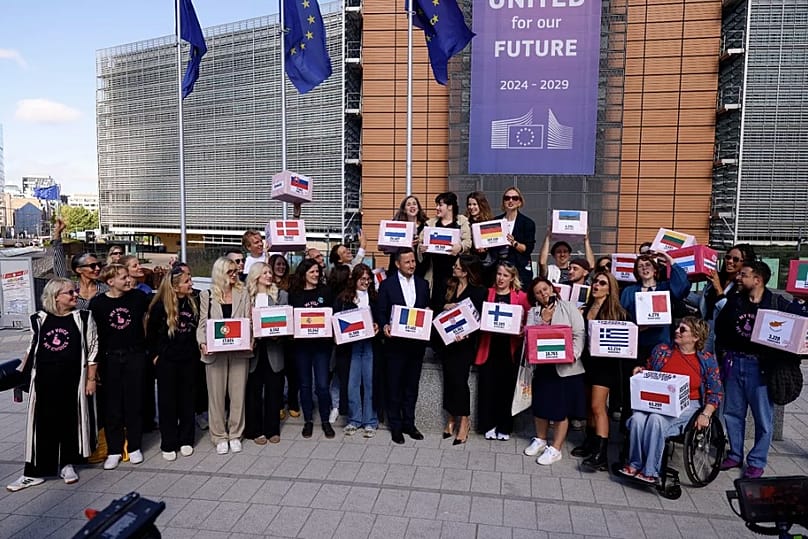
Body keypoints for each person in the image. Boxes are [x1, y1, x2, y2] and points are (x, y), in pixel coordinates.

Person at [7, 278, 98, 492]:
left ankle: (67, 464)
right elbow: (32, 348)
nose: (75, 295)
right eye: (70, 293)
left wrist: (91, 379)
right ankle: (34, 473)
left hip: (73, 380)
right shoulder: (38, 319)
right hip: (44, 381)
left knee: (70, 422)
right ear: (55, 297)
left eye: (75, 292)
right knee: (41, 426)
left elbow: (92, 349)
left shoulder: (83, 317)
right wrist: (21, 377)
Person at [715, 260, 801, 479]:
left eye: (743, 275)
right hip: (735, 363)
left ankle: (756, 461)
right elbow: (721, 328)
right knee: (732, 413)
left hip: (761, 367)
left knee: (763, 418)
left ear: (758, 279)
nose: (738, 278)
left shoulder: (778, 303)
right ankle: (735, 454)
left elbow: (799, 325)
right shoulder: (735, 301)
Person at [619, 317, 722, 484]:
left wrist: (706, 414)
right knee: (637, 419)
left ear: (696, 337)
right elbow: (651, 371)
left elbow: (715, 392)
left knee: (656, 420)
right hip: (660, 400)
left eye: (683, 330)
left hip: (689, 403)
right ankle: (634, 463)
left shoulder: (706, 360)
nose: (677, 331)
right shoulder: (662, 350)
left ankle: (651, 470)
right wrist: (641, 370)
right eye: (677, 327)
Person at [89, 264, 150, 470]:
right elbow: (93, 336)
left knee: (134, 403)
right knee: (112, 405)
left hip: (135, 355)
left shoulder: (138, 298)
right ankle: (114, 449)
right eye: (123, 278)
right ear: (110, 282)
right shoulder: (97, 304)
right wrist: (93, 368)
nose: (128, 281)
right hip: (109, 359)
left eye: (128, 277)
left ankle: (134, 446)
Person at [523, 278, 586, 465]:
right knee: (541, 405)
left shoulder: (568, 307)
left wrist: (573, 354)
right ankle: (541, 439)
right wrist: (544, 321)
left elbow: (579, 333)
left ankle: (556, 448)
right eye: (538, 292)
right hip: (542, 366)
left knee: (560, 408)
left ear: (551, 288)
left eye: (545, 289)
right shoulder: (533, 312)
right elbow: (529, 336)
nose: (543, 294)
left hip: (566, 367)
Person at [571, 271, 628, 470]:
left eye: (602, 283)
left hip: (606, 365)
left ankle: (602, 454)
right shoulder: (584, 308)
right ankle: (591, 442)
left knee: (598, 406)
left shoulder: (617, 312)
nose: (596, 285)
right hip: (586, 362)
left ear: (609, 288)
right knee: (587, 405)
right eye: (595, 282)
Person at [197, 257, 252, 455]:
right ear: (220, 273)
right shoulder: (207, 294)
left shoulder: (243, 292)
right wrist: (203, 342)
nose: (234, 274)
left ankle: (236, 434)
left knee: (238, 395)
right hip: (215, 353)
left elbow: (248, 319)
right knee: (216, 396)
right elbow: (203, 323)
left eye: (235, 270)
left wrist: (250, 339)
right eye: (230, 271)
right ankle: (219, 435)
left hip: (238, 351)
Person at [377, 248, 431, 444]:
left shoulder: (423, 284)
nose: (412, 265)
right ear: (398, 264)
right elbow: (381, 312)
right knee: (394, 387)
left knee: (411, 387)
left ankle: (409, 423)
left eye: (413, 261)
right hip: (395, 346)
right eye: (407, 262)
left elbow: (425, 308)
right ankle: (396, 426)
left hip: (416, 345)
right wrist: (384, 326)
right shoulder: (387, 285)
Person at [146, 266, 199, 461]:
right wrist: (155, 356)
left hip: (188, 360)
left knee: (187, 401)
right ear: (175, 287)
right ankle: (168, 442)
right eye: (187, 282)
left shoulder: (193, 302)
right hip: (167, 361)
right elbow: (150, 334)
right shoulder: (160, 306)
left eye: (190, 279)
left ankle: (186, 439)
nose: (191, 284)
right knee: (167, 403)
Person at [474, 262, 531, 441]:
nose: (501, 278)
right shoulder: (487, 293)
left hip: (510, 351)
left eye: (505, 275)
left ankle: (505, 427)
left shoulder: (520, 297)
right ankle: (488, 425)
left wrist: (524, 329)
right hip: (489, 348)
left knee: (506, 390)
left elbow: (532, 318)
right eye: (499, 274)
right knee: (487, 389)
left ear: (512, 278)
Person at [437, 255, 486, 445]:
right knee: (448, 380)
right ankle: (451, 418)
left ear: (466, 271)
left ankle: (464, 421)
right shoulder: (449, 285)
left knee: (460, 382)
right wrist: (445, 306)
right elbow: (435, 307)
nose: (453, 267)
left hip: (465, 345)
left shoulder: (479, 291)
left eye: (457, 266)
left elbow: (479, 319)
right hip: (447, 342)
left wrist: (467, 334)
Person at [289, 258, 335, 439]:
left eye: (317, 272)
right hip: (302, 348)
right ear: (304, 274)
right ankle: (308, 420)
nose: (316, 275)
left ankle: (325, 420)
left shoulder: (326, 291)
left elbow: (332, 316)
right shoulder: (295, 294)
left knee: (323, 386)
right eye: (312, 272)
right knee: (305, 385)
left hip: (322, 347)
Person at [333, 263, 380, 438]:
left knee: (369, 383)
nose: (366, 282)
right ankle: (354, 420)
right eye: (362, 279)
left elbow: (382, 317)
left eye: (368, 279)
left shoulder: (375, 297)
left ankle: (370, 421)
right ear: (355, 280)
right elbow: (336, 320)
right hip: (350, 347)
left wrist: (378, 325)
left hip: (369, 345)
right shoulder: (343, 299)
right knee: (352, 384)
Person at [244, 262, 287, 444]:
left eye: (270, 272)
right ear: (255, 276)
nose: (269, 275)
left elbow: (285, 321)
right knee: (253, 392)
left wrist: (277, 333)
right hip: (253, 351)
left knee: (274, 391)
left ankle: (272, 430)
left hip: (273, 348)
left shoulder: (281, 295)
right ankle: (254, 430)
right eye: (265, 273)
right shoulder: (246, 296)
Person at [419, 192, 472, 311]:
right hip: (436, 272)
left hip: (455, 272)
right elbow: (421, 243)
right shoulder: (430, 223)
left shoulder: (462, 221)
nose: (437, 208)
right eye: (436, 205)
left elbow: (468, 242)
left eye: (440, 205)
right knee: (436, 303)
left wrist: (460, 247)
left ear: (450, 206)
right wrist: (421, 248)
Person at [699, 244, 756, 354]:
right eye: (727, 257)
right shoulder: (717, 278)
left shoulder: (744, 286)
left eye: (735, 259)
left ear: (745, 263)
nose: (729, 261)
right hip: (706, 330)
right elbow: (705, 302)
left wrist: (718, 288)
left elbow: (729, 310)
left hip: (723, 335)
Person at [51, 217, 109, 310]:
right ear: (79, 269)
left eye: (99, 265)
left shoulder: (105, 290)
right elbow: (59, 268)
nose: (97, 268)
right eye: (92, 266)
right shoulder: (70, 289)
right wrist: (57, 234)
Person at [269, 254, 298, 418]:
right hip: (274, 338)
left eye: (283, 265)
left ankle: (293, 402)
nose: (281, 267)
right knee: (277, 373)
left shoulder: (292, 283)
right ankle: (278, 403)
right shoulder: (266, 284)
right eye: (278, 264)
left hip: (290, 337)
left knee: (293, 373)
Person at [496, 187, 536, 287]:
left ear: (520, 202)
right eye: (507, 198)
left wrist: (514, 243)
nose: (510, 201)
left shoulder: (527, 223)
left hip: (519, 269)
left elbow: (528, 249)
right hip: (499, 269)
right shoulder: (496, 221)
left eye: (515, 198)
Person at [387, 195, 429, 276]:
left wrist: (420, 243)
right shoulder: (397, 225)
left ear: (418, 208)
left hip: (419, 268)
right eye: (409, 204)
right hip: (398, 267)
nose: (412, 206)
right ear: (404, 210)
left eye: (414, 204)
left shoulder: (426, 226)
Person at [465, 191, 498, 285]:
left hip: (488, 268)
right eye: (469, 204)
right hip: (470, 266)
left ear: (481, 205)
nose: (471, 207)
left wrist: (486, 250)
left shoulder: (490, 222)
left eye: (474, 204)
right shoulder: (465, 222)